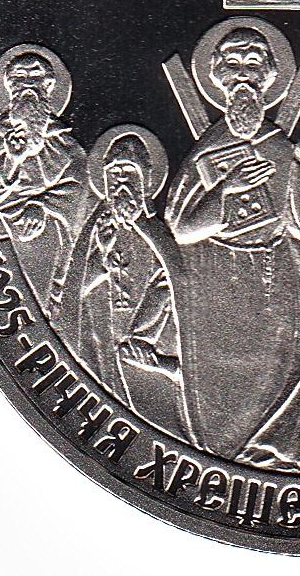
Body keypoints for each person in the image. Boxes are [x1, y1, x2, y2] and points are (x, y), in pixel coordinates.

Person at [163, 24, 300, 470]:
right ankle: (225, 454)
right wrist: (226, 190)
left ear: (270, 76)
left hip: (278, 279)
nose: (243, 73)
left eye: (253, 62)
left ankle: (274, 452)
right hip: (218, 283)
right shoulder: (207, 150)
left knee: (289, 368)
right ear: (217, 76)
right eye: (232, 63)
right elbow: (180, 229)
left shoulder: (281, 148)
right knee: (224, 388)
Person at [55, 127, 194, 441]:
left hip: (151, 349)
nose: (120, 184)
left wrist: (142, 337)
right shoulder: (97, 232)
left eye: (128, 174)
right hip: (108, 346)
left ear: (144, 182)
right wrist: (100, 258)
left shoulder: (157, 232)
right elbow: (78, 290)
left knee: (164, 424)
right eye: (113, 176)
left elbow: (171, 283)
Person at [0, 46, 88, 312]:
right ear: (9, 88)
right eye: (19, 78)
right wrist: (11, 162)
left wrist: (42, 206)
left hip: (45, 242)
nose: (27, 85)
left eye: (35, 76)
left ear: (48, 86)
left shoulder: (66, 145)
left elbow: (79, 191)